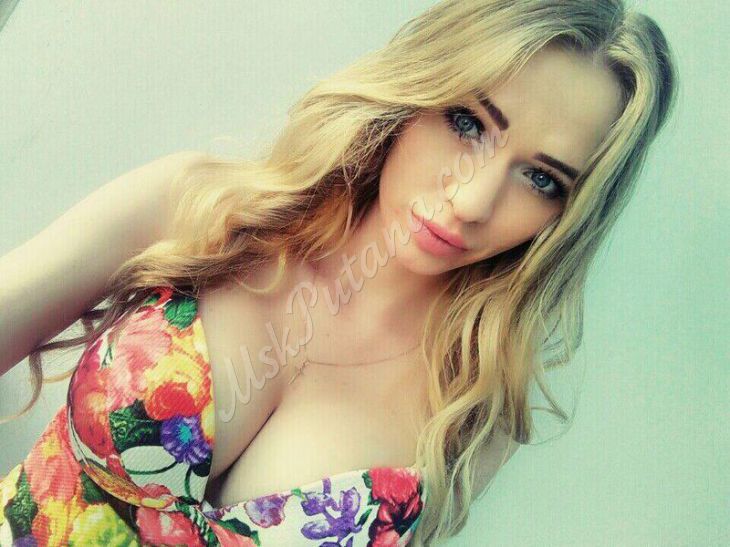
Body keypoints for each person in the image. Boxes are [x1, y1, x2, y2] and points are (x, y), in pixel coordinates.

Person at [0, 1, 677, 545]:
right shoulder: (200, 208)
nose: (472, 200)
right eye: (467, 123)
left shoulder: (473, 407)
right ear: (413, 95)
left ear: (569, 216)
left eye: (541, 178)